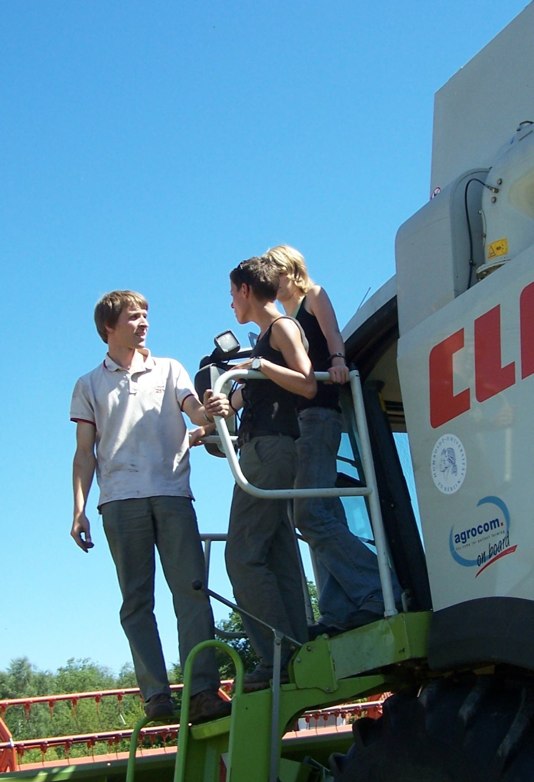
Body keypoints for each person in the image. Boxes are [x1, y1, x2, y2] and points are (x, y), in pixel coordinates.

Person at [69, 289, 231, 724]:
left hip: (173, 493)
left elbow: (195, 412)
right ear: (109, 327)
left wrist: (211, 409)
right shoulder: (89, 384)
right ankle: (156, 695)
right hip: (119, 501)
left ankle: (202, 692)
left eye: (145, 316)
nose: (144, 323)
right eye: (134, 317)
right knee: (136, 601)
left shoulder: (170, 368)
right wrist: (79, 509)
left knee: (191, 592)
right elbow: (84, 452)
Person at [265, 245, 400, 636]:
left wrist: (338, 361)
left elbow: (331, 334)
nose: (269, 283)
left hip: (321, 412)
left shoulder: (313, 297)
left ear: (289, 271)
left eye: (273, 274)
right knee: (321, 514)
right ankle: (338, 609)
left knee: (308, 514)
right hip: (298, 421)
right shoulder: (283, 318)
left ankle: (378, 588)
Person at [224, 257, 317, 691]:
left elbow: (306, 381)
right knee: (277, 551)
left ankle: (277, 655)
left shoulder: (282, 328)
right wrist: (223, 407)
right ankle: (297, 647)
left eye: (232, 294)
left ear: (245, 290)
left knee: (241, 555)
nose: (231, 305)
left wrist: (259, 368)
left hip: (271, 449)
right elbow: (251, 392)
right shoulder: (263, 339)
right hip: (263, 446)